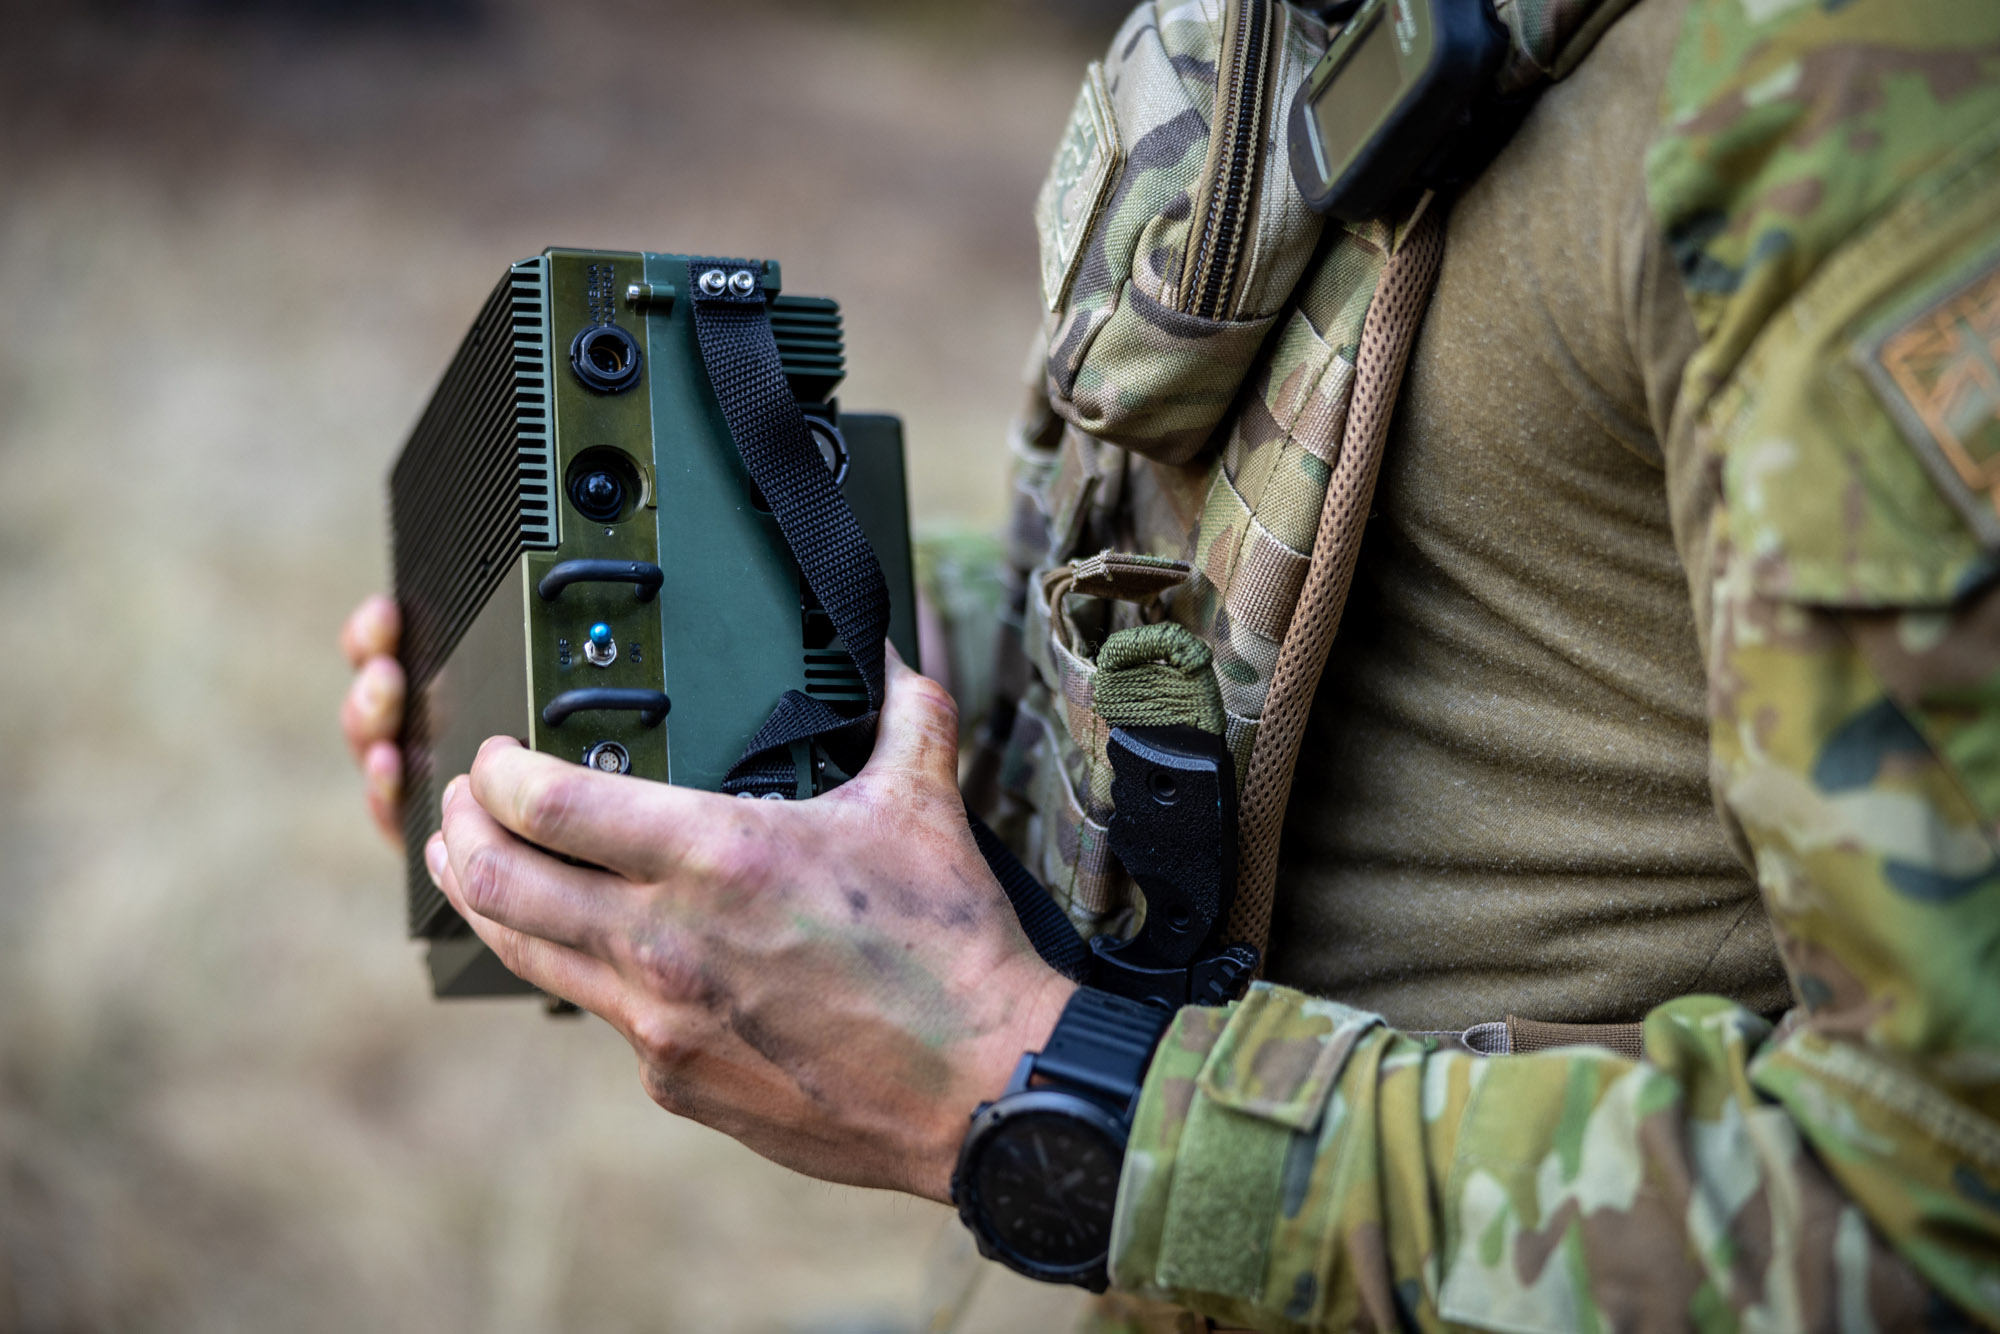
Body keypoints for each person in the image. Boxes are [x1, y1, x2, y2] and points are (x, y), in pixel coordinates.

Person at [341, 0, 2000, 1326]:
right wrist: (781, 687)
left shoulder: (1866, 96)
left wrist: (1037, 1097)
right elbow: (1251, 632)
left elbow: (1943, 1209)